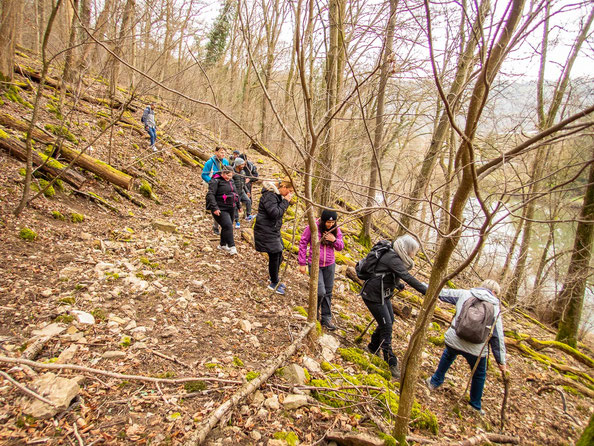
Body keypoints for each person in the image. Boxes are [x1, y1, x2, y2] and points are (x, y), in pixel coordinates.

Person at [425, 279, 506, 416]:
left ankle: (434, 381)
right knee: (479, 373)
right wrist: (501, 361)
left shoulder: (465, 294)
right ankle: (475, 405)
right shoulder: (495, 307)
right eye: (496, 294)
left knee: (448, 354)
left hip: (454, 340)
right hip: (476, 349)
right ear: (493, 292)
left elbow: (441, 293)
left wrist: (419, 284)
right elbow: (497, 337)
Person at [360, 234, 428, 379]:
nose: (414, 254)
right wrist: (427, 291)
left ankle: (373, 347)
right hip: (373, 295)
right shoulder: (393, 258)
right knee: (387, 326)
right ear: (407, 249)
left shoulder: (395, 256)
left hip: (382, 294)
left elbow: (385, 272)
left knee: (389, 320)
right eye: (413, 251)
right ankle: (391, 361)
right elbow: (407, 276)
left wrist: (397, 284)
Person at [298, 210, 344, 331]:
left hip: (330, 264)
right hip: (315, 263)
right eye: (328, 222)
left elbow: (340, 247)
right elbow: (303, 242)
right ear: (323, 220)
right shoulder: (313, 227)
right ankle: (314, 314)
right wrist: (302, 262)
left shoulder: (336, 230)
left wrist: (334, 240)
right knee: (320, 291)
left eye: (333, 222)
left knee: (328, 292)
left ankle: (326, 318)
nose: (330, 224)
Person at [253, 178, 294, 295]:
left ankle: (273, 277)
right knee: (275, 254)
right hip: (265, 229)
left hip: (273, 229)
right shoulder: (269, 195)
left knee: (279, 253)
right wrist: (285, 201)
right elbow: (275, 213)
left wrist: (285, 201)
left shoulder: (276, 194)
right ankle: (274, 283)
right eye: (289, 191)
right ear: (283, 187)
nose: (289, 194)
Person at [205, 165, 238, 255]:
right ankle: (232, 246)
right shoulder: (216, 181)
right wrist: (215, 208)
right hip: (220, 208)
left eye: (231, 176)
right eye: (227, 175)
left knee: (227, 226)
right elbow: (210, 195)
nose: (229, 178)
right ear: (223, 173)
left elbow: (235, 193)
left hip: (231, 207)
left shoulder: (231, 181)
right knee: (228, 226)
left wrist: (238, 206)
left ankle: (222, 244)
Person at [201, 146, 229, 235]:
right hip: (212, 183)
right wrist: (212, 182)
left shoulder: (225, 162)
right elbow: (204, 175)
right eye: (221, 152)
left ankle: (222, 224)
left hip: (222, 184)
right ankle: (215, 225)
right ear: (216, 152)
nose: (223, 154)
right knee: (216, 203)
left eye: (224, 153)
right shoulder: (210, 162)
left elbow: (229, 172)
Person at [231, 158, 252, 229]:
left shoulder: (243, 172)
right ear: (237, 165)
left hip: (242, 191)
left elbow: (244, 183)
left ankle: (248, 216)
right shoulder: (232, 172)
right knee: (236, 207)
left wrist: (247, 191)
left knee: (248, 201)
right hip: (235, 193)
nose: (243, 165)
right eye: (242, 164)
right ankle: (237, 221)